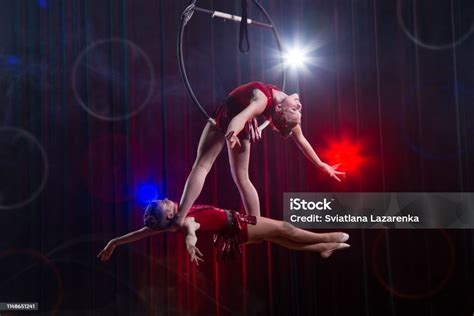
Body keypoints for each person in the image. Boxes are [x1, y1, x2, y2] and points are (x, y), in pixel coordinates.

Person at [174, 81, 345, 227]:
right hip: (239, 123)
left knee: (204, 166)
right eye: (298, 110)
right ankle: (257, 225)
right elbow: (301, 140)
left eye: (295, 111)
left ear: (279, 108)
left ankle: (181, 218)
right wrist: (321, 164)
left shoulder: (263, 99)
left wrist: (232, 132)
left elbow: (241, 117)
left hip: (232, 119)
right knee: (241, 178)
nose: (300, 106)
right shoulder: (277, 104)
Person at [97, 199, 350, 265]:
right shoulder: (182, 221)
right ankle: (328, 238)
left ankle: (321, 248)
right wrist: (190, 242)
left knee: (277, 237)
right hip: (237, 225)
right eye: (164, 202)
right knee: (284, 228)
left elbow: (140, 233)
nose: (166, 197)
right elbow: (192, 229)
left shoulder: (173, 220)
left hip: (234, 230)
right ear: (170, 214)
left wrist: (113, 242)